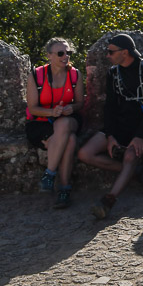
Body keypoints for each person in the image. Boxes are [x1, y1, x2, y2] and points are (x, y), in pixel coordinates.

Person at [78, 34, 143, 219]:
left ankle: (109, 201)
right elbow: (110, 107)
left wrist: (141, 136)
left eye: (111, 52)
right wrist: (110, 135)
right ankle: (139, 170)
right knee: (85, 153)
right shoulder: (113, 73)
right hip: (121, 124)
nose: (107, 56)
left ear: (125, 52)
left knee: (130, 155)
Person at [25, 37, 84, 209]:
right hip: (41, 122)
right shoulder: (36, 76)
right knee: (70, 140)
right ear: (49, 56)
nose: (65, 56)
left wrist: (70, 109)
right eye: (60, 53)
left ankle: (49, 174)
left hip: (69, 119)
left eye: (68, 52)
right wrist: (52, 112)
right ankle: (64, 189)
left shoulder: (75, 75)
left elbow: (80, 103)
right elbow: (33, 108)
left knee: (64, 124)